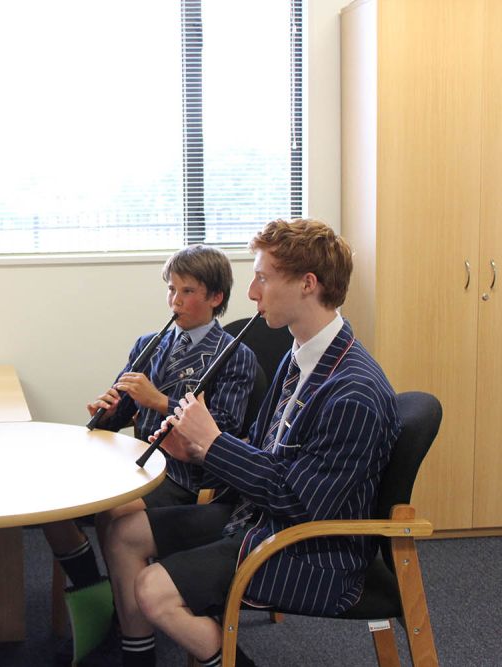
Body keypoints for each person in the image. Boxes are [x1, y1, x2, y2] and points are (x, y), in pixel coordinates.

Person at [105, 219, 400, 667]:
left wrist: (214, 441)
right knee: (125, 533)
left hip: (312, 550)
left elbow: (302, 501)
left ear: (307, 284)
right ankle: (138, 655)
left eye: (262, 277)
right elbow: (263, 449)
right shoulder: (298, 357)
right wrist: (196, 448)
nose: (252, 293)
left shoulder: (353, 391)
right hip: (259, 517)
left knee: (153, 591)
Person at [41, 245, 258, 651]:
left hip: (185, 474)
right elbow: (124, 410)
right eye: (171, 290)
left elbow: (220, 434)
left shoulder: (236, 356)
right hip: (138, 460)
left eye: (187, 291)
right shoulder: (149, 342)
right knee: (54, 495)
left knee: (115, 511)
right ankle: (96, 585)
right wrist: (105, 412)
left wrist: (159, 400)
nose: (175, 301)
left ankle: (127, 628)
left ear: (216, 298)